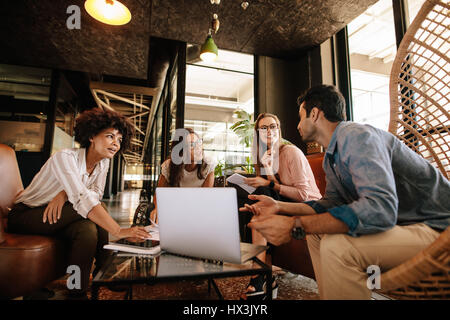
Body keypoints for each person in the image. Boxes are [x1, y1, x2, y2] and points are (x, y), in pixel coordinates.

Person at [241, 84, 450, 299]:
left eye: (301, 117)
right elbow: (329, 204)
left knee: (338, 246)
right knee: (317, 235)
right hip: (405, 226)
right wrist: (278, 206)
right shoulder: (333, 157)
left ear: (314, 114)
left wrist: (295, 225)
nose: (297, 125)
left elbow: (380, 208)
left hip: (438, 228)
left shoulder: (356, 135)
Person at [8, 108, 149, 299]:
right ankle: (105, 269)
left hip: (59, 214)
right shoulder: (65, 157)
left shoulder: (103, 163)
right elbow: (84, 198)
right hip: (27, 215)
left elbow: (96, 194)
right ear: (91, 136)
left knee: (87, 230)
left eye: (119, 139)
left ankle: (77, 289)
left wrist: (64, 194)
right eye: (110, 137)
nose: (116, 143)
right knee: (98, 209)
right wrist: (118, 231)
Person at [239, 113, 321, 300]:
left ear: (279, 129)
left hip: (308, 206)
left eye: (273, 126)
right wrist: (268, 170)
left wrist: (268, 184)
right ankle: (263, 276)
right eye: (264, 128)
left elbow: (304, 194)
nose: (269, 131)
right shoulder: (266, 156)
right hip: (285, 204)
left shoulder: (291, 152)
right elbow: (275, 188)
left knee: (261, 196)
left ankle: (259, 276)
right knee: (251, 199)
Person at [149, 128, 215, 223]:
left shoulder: (208, 165)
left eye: (199, 142)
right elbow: (160, 193)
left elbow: (205, 198)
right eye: (192, 145)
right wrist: (157, 209)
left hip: (197, 211)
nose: (199, 147)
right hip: (174, 210)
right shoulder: (169, 166)